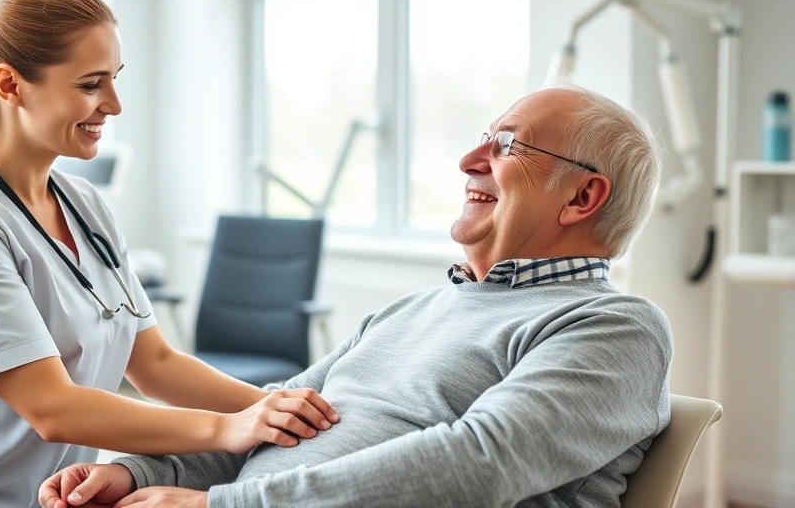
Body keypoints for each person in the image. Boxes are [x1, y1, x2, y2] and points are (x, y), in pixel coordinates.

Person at [39, 84, 673, 508]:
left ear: (582, 198)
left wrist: (220, 505)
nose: (468, 159)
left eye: (506, 145)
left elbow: (482, 464)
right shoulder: (411, 311)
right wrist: (134, 475)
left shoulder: (614, 328)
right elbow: (272, 424)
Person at [0, 0, 339, 508]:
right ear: (10, 86)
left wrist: (283, 407)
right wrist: (227, 430)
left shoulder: (85, 205)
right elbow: (52, 408)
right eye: (91, 84)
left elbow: (155, 365)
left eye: (115, 79)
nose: (115, 105)